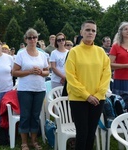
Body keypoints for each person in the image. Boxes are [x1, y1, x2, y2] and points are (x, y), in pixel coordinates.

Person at [65, 20, 111, 150]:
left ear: (96, 34)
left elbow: (106, 74)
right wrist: (86, 95)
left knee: (91, 133)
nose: (90, 33)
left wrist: (98, 94)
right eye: (88, 30)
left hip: (98, 99)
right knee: (82, 133)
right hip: (79, 99)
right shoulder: (74, 52)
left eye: (93, 30)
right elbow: (71, 77)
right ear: (81, 32)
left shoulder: (101, 52)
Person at [12, 28, 49, 150]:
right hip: (25, 89)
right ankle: (24, 142)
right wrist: (29, 71)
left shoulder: (43, 55)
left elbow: (47, 72)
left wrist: (40, 72)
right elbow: (14, 72)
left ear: (37, 39)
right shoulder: (21, 54)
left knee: (35, 115)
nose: (32, 39)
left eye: (34, 37)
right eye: (29, 37)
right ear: (25, 39)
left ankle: (34, 140)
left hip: (39, 89)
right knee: (25, 115)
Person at [109, 21, 128, 95]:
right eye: (126, 29)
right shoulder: (116, 46)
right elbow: (109, 64)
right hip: (121, 79)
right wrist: (125, 66)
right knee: (121, 104)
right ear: (121, 32)